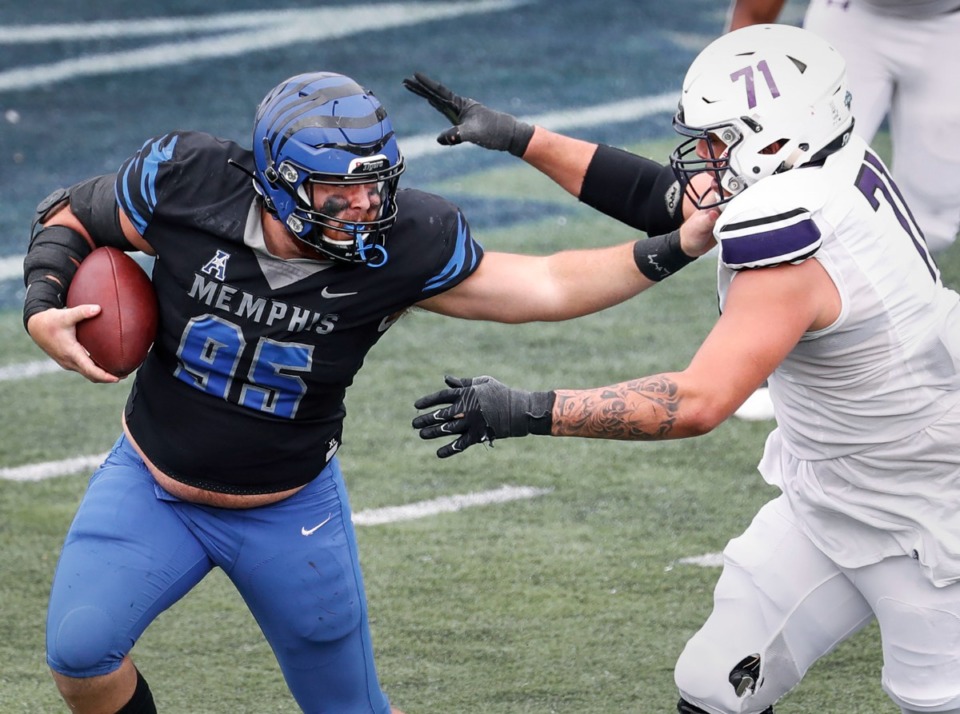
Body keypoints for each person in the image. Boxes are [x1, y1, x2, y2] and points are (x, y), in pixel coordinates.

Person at [22, 71, 716, 714]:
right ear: (277, 180)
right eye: (339, 190)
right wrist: (42, 300)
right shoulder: (189, 183)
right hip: (152, 485)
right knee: (80, 656)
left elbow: (548, 285)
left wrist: (674, 248)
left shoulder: (407, 245)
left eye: (374, 185)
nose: (363, 206)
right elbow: (72, 214)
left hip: (287, 510)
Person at [411, 25, 960, 714]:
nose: (702, 156)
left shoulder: (792, 234)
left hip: (925, 515)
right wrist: (520, 137)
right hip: (834, 493)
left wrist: (525, 409)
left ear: (775, 136)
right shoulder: (831, 162)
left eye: (718, 140)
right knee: (713, 685)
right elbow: (664, 200)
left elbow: (697, 401)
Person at [727, 0, 960, 255]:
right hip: (851, 17)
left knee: (932, 224)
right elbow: (753, 13)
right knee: (796, 179)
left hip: (949, 27)